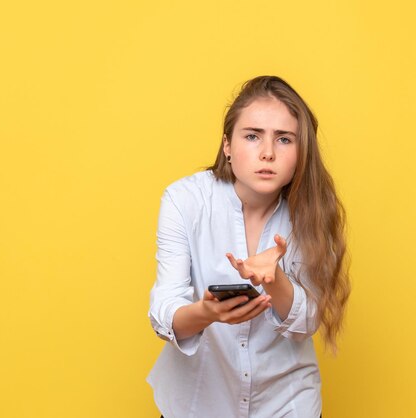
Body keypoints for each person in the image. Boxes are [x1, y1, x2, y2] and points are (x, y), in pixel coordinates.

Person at [147, 75, 350, 418]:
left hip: (287, 404)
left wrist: (275, 280)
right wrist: (206, 313)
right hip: (196, 404)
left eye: (284, 139)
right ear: (227, 145)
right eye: (253, 136)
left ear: (302, 152)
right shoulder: (185, 201)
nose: (268, 153)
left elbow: (307, 324)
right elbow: (164, 311)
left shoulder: (313, 211)